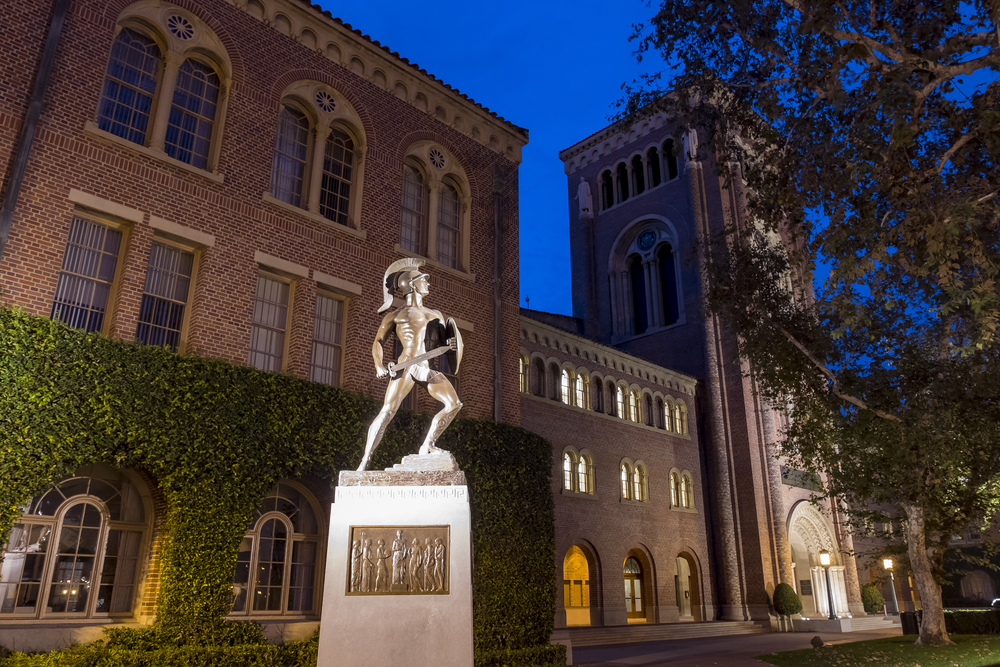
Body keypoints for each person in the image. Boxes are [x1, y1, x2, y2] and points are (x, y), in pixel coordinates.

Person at [357, 258, 464, 471]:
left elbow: (448, 341)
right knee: (387, 411)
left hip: (426, 368)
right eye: (424, 280)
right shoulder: (395, 315)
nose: (428, 283)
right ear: (413, 284)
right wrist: (379, 365)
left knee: (454, 404)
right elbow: (378, 342)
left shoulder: (436, 315)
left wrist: (452, 345)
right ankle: (365, 460)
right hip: (406, 366)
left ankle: (428, 445)